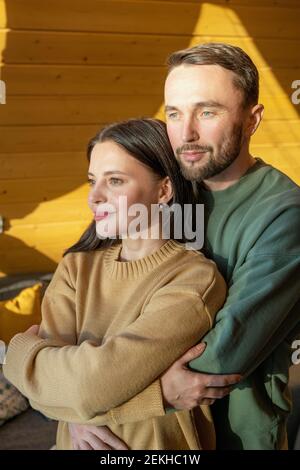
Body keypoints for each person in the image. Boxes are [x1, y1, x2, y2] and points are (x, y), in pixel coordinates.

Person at [67, 43, 300, 450]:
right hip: (143, 439)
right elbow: (93, 301)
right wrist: (72, 401)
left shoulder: (284, 214)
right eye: (174, 113)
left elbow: (223, 355)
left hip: (235, 437)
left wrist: (84, 401)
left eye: (207, 111)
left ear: (252, 119)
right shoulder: (165, 189)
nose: (186, 132)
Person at [3, 118, 230, 450]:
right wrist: (159, 395)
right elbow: (44, 391)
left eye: (115, 181)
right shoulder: (75, 267)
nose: (94, 196)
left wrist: (19, 353)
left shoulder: (193, 278)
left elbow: (88, 387)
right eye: (93, 180)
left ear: (163, 190)